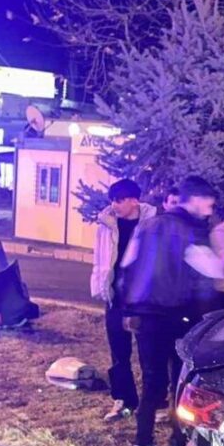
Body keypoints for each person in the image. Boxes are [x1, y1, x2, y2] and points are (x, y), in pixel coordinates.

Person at [119, 176, 224, 446]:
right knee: (179, 382)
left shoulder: (149, 225)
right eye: (209, 203)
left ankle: (142, 444)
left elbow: (127, 267)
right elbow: (213, 273)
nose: (211, 209)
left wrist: (128, 309)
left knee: (151, 381)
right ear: (196, 199)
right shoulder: (192, 231)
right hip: (180, 318)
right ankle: (178, 442)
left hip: (146, 318)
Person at [89, 179, 157, 423]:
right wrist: (100, 287)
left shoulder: (152, 223)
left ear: (134, 200)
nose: (114, 205)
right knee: (119, 350)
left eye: (119, 200)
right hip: (116, 298)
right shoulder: (106, 224)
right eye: (112, 200)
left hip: (143, 300)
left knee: (149, 353)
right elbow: (100, 258)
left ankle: (155, 403)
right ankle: (123, 399)